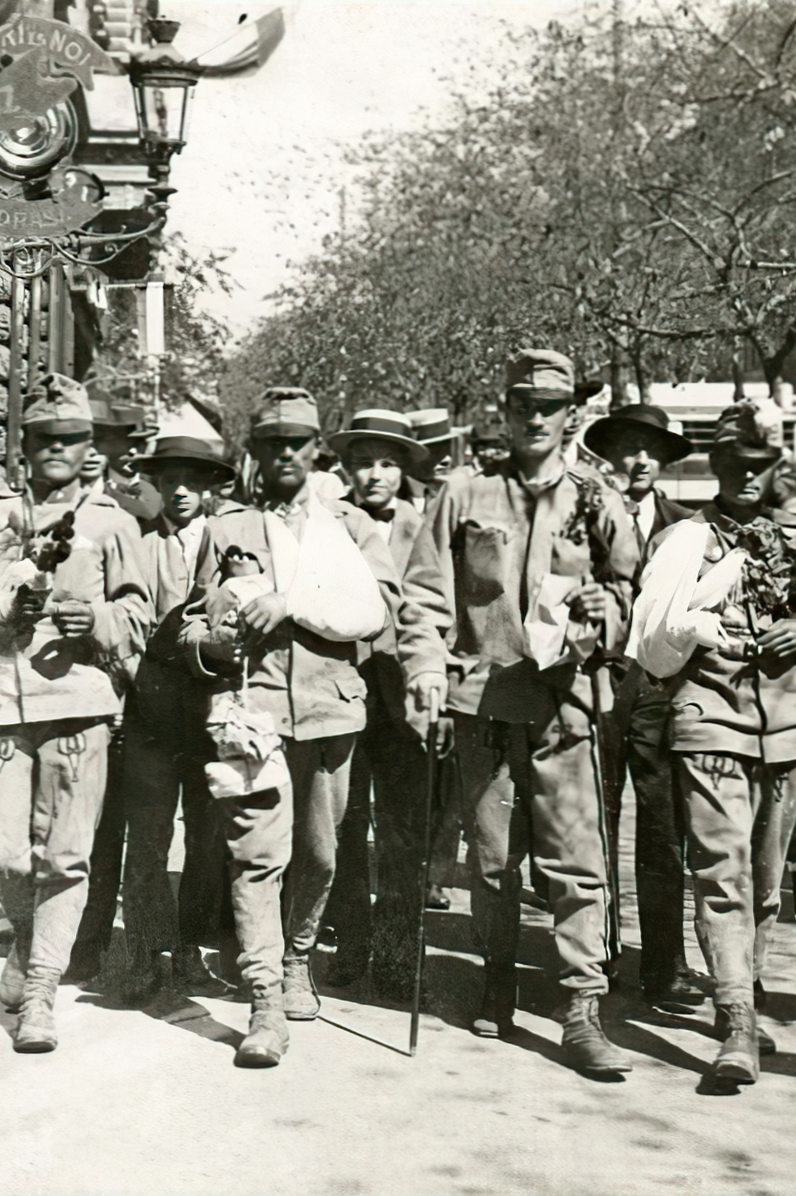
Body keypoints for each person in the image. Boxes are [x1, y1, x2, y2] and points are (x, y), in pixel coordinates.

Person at [402, 349, 640, 1077]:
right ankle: (497, 977)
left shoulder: (597, 498)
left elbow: (632, 589)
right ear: (502, 413)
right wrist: (422, 668)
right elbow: (424, 593)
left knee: (577, 862)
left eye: (549, 407)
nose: (534, 418)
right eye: (521, 405)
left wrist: (610, 613)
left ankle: (580, 1009)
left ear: (571, 415)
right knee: (496, 862)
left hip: (566, 705)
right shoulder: (465, 493)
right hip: (485, 703)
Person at [0, 374, 153, 1054]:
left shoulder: (114, 524)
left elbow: (139, 615)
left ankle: (39, 990)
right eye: (44, 439)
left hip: (78, 706)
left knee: (67, 857)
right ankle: (35, 939)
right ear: (24, 445)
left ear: (88, 446)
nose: (56, 450)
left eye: (70, 439)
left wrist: (91, 616)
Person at [179, 388, 425, 1068]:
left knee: (320, 854)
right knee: (259, 854)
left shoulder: (349, 526)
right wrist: (219, 639)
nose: (284, 453)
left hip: (332, 709)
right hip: (252, 711)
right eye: (270, 443)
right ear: (253, 451)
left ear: (316, 451)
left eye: (297, 443)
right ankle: (264, 1000)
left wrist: (294, 603)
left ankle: (297, 956)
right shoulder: (227, 527)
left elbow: (383, 607)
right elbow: (191, 620)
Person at [627, 397, 796, 1084]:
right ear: (715, 465)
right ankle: (734, 1024)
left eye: (761, 464)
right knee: (721, 879)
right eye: (734, 463)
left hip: (791, 734)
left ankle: (747, 1006)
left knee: (763, 888)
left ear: (774, 466)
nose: (748, 477)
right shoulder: (685, 541)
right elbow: (654, 636)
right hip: (709, 723)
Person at [582, 402, 703, 1009]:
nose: (639, 460)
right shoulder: (579, 520)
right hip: (595, 689)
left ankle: (665, 965)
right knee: (594, 827)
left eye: (652, 451)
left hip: (658, 692)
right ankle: (597, 958)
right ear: (608, 455)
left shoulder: (687, 529)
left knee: (663, 830)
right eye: (628, 447)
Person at [116, 432, 242, 1000]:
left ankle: (190, 948)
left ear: (213, 486)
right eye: (170, 481)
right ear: (156, 485)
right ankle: (145, 951)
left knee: (207, 840)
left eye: (194, 481)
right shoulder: (138, 546)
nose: (182, 491)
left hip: (211, 712)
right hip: (151, 711)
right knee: (147, 836)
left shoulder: (234, 546)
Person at [323, 410, 434, 996]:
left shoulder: (428, 526)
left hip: (405, 700)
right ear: (345, 467)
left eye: (388, 462)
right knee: (342, 824)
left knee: (401, 831)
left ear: (405, 468)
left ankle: (396, 951)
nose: (375, 474)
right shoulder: (328, 521)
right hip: (341, 690)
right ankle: (351, 941)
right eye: (363, 462)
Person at [84, 394, 162, 522]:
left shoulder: (158, 493)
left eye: (140, 444)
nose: (133, 451)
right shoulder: (93, 489)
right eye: (127, 443)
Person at [405, 408, 458, 509]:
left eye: (447, 449)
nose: (446, 459)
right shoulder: (392, 495)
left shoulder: (454, 493)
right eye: (435, 451)